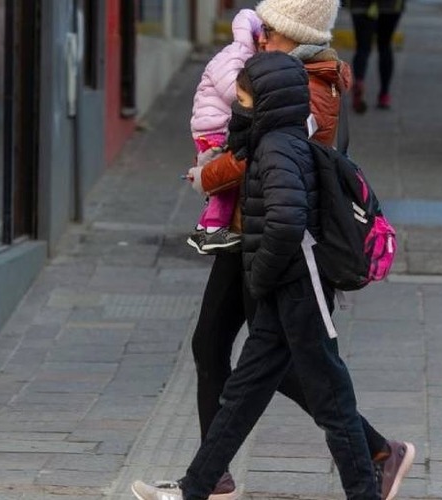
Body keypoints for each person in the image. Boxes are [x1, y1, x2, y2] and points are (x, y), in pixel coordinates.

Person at [143, 1, 414, 499]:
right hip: (254, 234)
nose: (259, 35)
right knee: (236, 354)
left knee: (291, 366)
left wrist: (210, 173)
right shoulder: (288, 73)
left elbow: (269, 164)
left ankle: (373, 455)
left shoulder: (304, 87)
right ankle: (209, 481)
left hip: (276, 247)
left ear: (294, 33)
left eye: (269, 29)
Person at [186, 8, 261, 255]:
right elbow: (233, 92)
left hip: (212, 125)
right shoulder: (236, 56)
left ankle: (202, 229)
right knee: (224, 183)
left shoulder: (240, 55)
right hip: (213, 128)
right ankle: (214, 230)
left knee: (221, 178)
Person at [347, 0, 406, 112]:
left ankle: (359, 81)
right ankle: (384, 94)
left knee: (362, 48)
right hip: (391, 6)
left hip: (359, 5)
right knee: (385, 45)